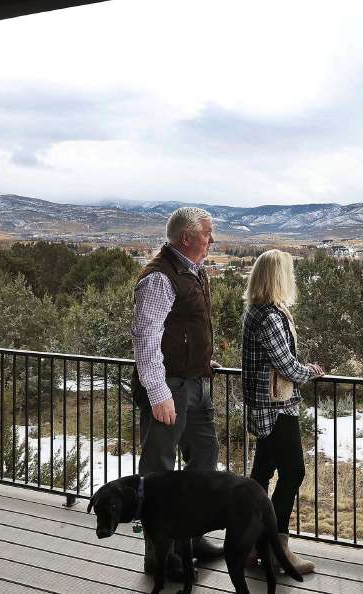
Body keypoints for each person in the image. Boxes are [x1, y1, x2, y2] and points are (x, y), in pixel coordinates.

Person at [132, 206, 224, 577]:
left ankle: (191, 538)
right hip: (169, 387)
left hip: (195, 382)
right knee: (160, 472)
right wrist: (157, 391)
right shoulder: (159, 277)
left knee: (204, 461)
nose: (211, 239)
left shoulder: (192, 272)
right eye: (207, 233)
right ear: (186, 237)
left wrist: (202, 361)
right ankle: (160, 555)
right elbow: (145, 337)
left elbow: (183, 330)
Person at [241, 249, 323, 575]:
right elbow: (286, 366)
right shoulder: (270, 317)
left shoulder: (255, 311)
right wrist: (311, 372)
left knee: (260, 476)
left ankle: (249, 543)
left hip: (264, 406)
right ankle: (276, 547)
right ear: (278, 277)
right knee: (293, 473)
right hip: (277, 408)